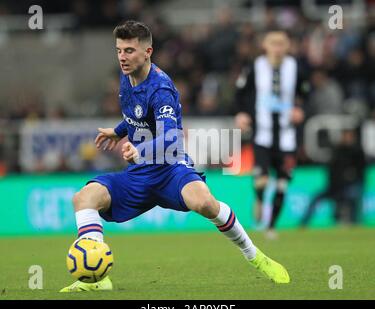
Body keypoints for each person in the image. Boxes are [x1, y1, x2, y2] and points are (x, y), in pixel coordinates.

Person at [60, 21, 290, 292]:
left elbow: (171, 137)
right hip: (139, 174)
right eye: (119, 50)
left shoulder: (161, 89)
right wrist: (119, 131)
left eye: (130, 50)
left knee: (205, 203)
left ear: (148, 52)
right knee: (84, 198)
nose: (122, 57)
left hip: (171, 168)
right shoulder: (127, 76)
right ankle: (97, 280)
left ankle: (255, 256)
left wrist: (139, 150)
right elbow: (137, 116)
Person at [235, 30, 309, 239]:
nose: (277, 48)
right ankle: (259, 199)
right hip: (262, 135)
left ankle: (271, 227)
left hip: (287, 137)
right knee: (262, 179)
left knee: (283, 183)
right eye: (273, 44)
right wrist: (241, 114)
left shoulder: (296, 68)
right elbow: (240, 93)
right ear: (265, 46)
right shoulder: (254, 67)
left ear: (287, 47)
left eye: (281, 44)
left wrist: (300, 108)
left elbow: (306, 92)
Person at [300, 128, 365, 227]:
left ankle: (354, 223)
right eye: (345, 136)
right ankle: (303, 224)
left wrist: (352, 178)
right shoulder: (337, 151)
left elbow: (360, 170)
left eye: (349, 136)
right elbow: (331, 169)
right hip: (333, 187)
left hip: (348, 186)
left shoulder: (356, 152)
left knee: (352, 197)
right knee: (316, 198)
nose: (347, 138)